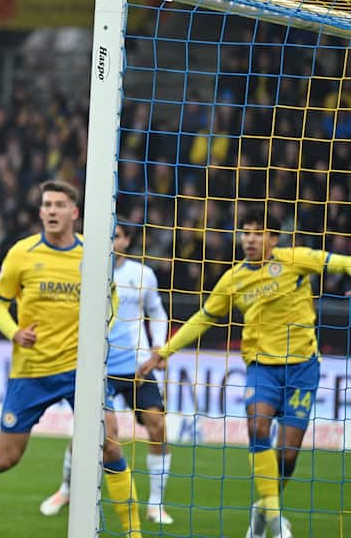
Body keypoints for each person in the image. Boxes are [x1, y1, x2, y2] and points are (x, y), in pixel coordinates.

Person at [0, 180, 142, 538]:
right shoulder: (22, 253)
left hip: (80, 370)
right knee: (6, 457)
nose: (52, 211)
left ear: (74, 213)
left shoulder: (93, 252)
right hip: (32, 371)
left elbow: (112, 300)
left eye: (59, 205)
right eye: (47, 205)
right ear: (40, 212)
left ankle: (134, 532)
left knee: (110, 442)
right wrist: (14, 332)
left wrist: (100, 329)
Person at [138, 210, 351, 538]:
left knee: (289, 452)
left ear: (274, 238)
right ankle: (276, 517)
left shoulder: (296, 259)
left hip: (302, 368)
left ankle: (265, 506)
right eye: (245, 233)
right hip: (261, 368)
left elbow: (343, 263)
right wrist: (164, 351)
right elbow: (203, 317)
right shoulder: (233, 279)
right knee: (256, 425)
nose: (249, 239)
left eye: (257, 233)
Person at [40, 221, 173, 524]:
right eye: (108, 236)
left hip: (138, 365)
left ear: (127, 241)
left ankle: (156, 504)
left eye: (118, 237)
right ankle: (66, 489)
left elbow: (157, 312)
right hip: (98, 367)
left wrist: (159, 347)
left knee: (158, 425)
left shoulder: (142, 274)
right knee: (92, 433)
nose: (112, 242)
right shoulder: (85, 269)